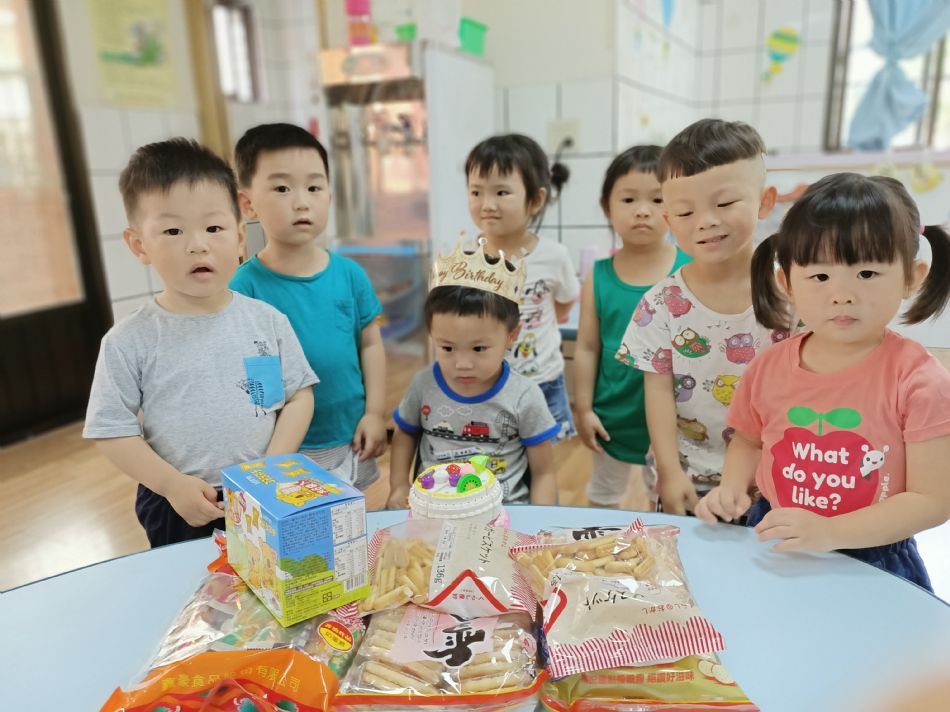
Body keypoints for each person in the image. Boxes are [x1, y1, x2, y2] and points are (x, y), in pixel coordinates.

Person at [696, 173, 950, 590]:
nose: (842, 295)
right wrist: (731, 488)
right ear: (787, 283)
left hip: (873, 556)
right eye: (820, 277)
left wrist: (831, 532)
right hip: (775, 539)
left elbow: (933, 501)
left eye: (866, 273)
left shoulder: (919, 380)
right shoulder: (768, 367)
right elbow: (748, 441)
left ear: (911, 276)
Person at [83, 138, 317, 547]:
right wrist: (171, 485)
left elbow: (299, 396)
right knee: (192, 585)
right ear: (139, 245)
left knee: (272, 579)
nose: (197, 244)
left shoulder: (267, 321)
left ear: (240, 239)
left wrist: (272, 465)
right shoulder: (129, 340)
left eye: (213, 228)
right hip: (180, 501)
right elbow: (111, 430)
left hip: (264, 490)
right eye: (173, 230)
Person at [617, 119, 781, 515]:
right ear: (669, 221)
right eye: (685, 211)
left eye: (724, 204)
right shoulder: (661, 303)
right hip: (690, 476)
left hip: (773, 477)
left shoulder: (792, 292)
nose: (705, 221)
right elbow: (657, 392)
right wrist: (669, 473)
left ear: (764, 201)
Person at [230, 123, 386, 489]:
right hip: (284, 445)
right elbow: (249, 375)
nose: (301, 202)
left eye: (314, 188)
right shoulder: (244, 287)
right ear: (248, 203)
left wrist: (376, 413)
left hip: (349, 437)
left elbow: (370, 345)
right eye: (282, 188)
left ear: (329, 196)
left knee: (353, 517)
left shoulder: (350, 275)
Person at [386, 240, 560, 508]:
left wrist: (540, 518)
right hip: (435, 507)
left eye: (479, 348)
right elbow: (405, 435)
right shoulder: (423, 384)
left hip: (504, 511)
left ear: (511, 335)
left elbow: (544, 472)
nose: (463, 364)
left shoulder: (524, 396)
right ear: (431, 334)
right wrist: (399, 486)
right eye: (447, 348)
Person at [574, 145, 691, 508]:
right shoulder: (598, 276)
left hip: (677, 419)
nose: (642, 210)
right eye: (628, 199)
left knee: (669, 499)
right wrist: (583, 408)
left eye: (657, 199)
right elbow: (587, 348)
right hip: (613, 415)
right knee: (603, 497)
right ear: (606, 206)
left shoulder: (692, 270)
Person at [465, 134, 580, 440]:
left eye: (501, 192)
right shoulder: (464, 257)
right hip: (486, 382)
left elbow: (564, 303)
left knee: (542, 457)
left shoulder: (554, 256)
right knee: (490, 455)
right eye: (476, 192)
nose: (487, 204)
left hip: (542, 380)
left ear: (536, 200)